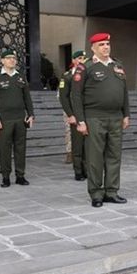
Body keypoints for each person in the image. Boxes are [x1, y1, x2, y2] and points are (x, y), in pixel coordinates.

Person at [71, 32, 130, 207]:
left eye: (107, 44)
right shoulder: (85, 67)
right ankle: (96, 193)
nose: (106, 47)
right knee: (95, 157)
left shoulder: (117, 66)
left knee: (114, 156)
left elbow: (124, 92)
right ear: (93, 48)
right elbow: (76, 95)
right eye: (101, 45)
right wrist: (80, 121)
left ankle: (111, 191)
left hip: (116, 117)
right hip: (94, 118)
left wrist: (126, 114)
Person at [0, 49, 34, 187]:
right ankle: (5, 176)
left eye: (14, 58)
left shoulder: (21, 77)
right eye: (8, 58)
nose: (12, 60)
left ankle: (20, 175)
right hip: (4, 119)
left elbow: (27, 97)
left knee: (20, 148)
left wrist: (31, 114)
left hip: (20, 118)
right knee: (4, 149)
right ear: (2, 61)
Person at [59, 50, 88, 180]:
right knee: (77, 144)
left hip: (88, 113)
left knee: (87, 145)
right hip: (75, 114)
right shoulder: (67, 76)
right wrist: (70, 114)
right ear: (74, 60)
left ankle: (87, 170)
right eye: (79, 58)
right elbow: (64, 97)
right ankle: (78, 171)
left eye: (84, 58)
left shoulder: (88, 73)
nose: (82, 61)